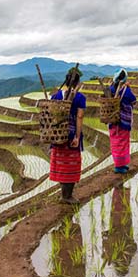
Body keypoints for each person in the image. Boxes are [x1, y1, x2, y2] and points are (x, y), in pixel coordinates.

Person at [49, 67, 86, 204]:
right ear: (77, 82)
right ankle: (67, 196)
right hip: (70, 136)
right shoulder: (80, 97)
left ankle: (64, 194)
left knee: (61, 164)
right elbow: (80, 117)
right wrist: (77, 136)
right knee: (71, 165)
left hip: (57, 135)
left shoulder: (56, 95)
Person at [109, 68, 136, 174]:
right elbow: (133, 100)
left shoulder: (111, 89)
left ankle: (120, 164)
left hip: (113, 122)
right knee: (123, 142)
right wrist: (129, 88)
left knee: (115, 142)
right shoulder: (126, 91)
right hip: (124, 122)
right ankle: (120, 166)